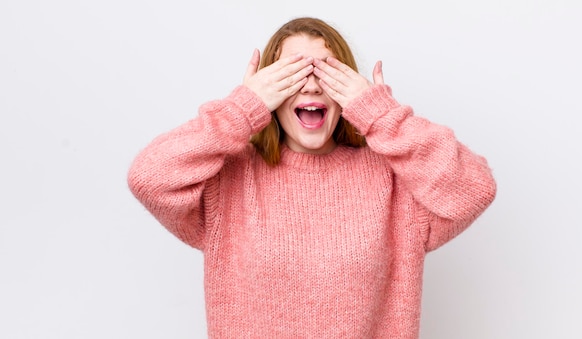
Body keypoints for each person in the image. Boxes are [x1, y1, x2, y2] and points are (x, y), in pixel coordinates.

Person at [127, 16, 496, 338]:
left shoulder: (394, 181)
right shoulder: (229, 180)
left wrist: (382, 115)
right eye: (293, 73)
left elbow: (475, 188)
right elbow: (150, 177)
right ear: (267, 88)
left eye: (326, 71)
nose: (311, 85)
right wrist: (240, 109)